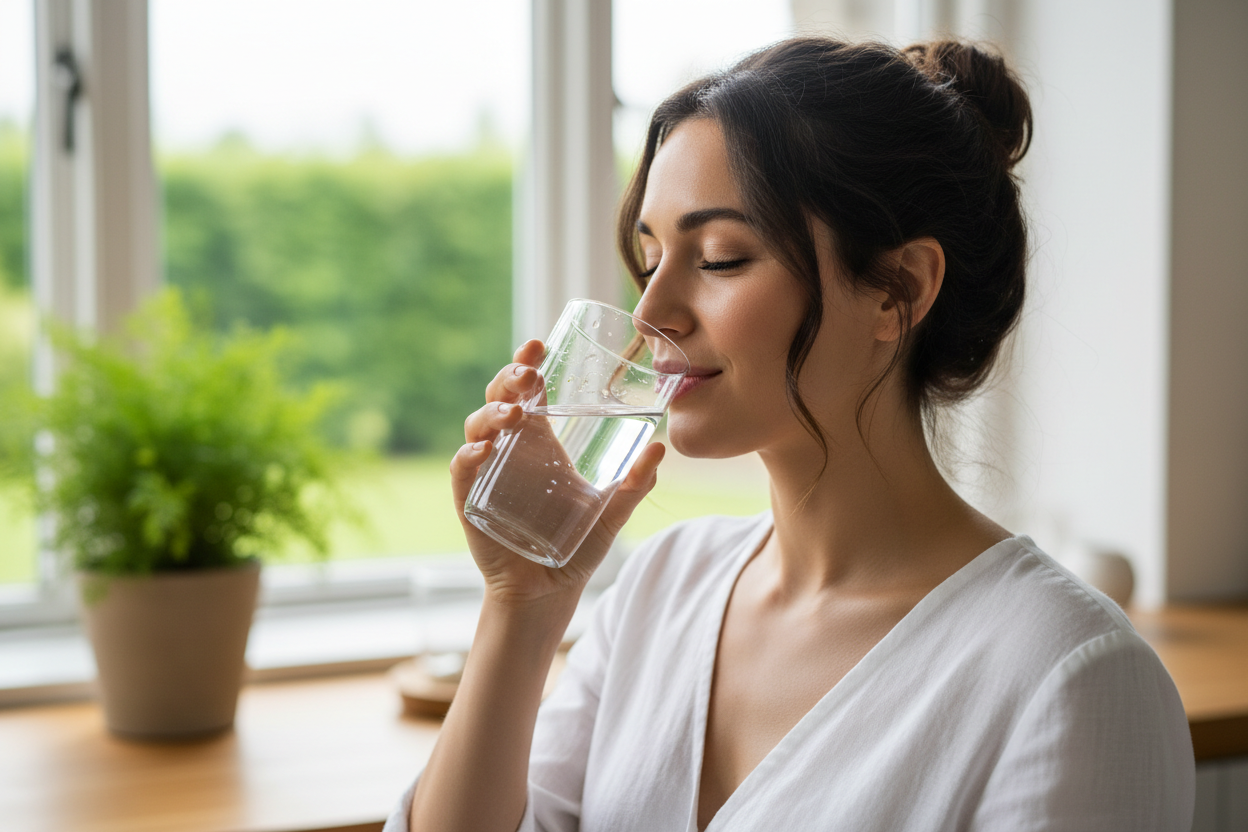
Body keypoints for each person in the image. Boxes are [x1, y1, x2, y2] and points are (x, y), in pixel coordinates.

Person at [386, 37, 1195, 832]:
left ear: (897, 290)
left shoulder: (1068, 676)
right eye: (650, 256)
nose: (650, 315)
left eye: (723, 258)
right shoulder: (662, 589)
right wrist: (523, 604)